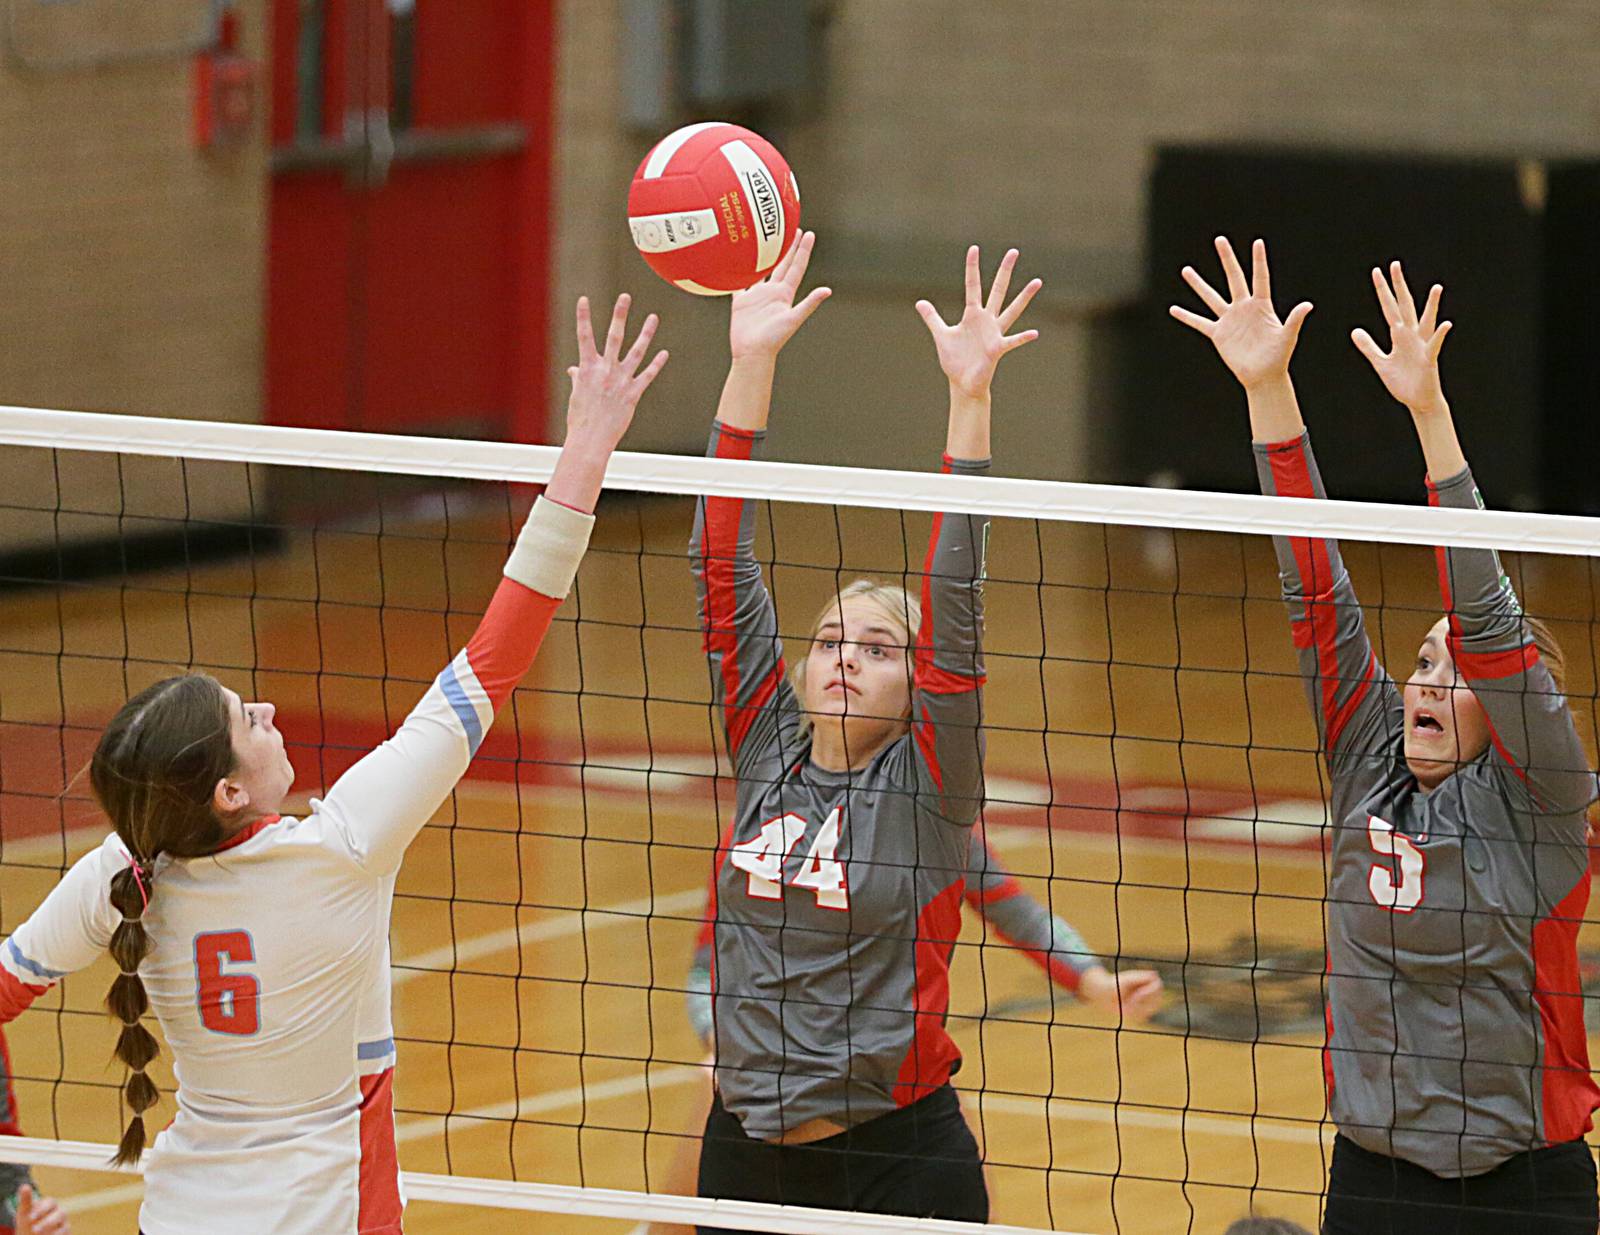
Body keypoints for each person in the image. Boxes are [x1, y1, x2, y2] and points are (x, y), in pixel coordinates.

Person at [0, 294, 667, 1235]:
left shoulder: (120, 871)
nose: (268, 709)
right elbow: (496, 653)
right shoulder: (344, 845)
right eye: (246, 717)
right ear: (229, 790)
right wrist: (588, 450)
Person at [1172, 237, 1600, 1233]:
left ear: (1510, 714)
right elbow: (1313, 589)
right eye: (1419, 661)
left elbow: (1488, 620)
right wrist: (1268, 391)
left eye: (1457, 673)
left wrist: (1429, 414)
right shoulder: (1370, 759)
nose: (1427, 678)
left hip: (1526, 1190)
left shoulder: (1543, 796)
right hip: (1373, 1179)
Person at [687, 232, 1037, 1229]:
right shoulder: (765, 745)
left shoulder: (932, 786)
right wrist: (748, 363)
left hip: (895, 1163)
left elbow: (955, 605)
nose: (845, 656)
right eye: (831, 638)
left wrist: (969, 402)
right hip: (742, 1147)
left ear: (915, 680)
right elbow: (719, 566)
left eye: (878, 648)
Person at [631, 825, 1164, 1235]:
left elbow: (1019, 912)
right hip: (761, 1100)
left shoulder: (933, 816)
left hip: (895, 1099)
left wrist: (1094, 981)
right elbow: (706, 969)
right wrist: (719, 1040)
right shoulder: (760, 816)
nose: (848, 672)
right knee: (697, 1148)